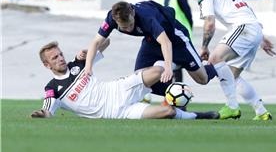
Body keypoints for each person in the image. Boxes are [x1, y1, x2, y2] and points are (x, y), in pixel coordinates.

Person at [85, 1, 238, 119]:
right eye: (124, 28)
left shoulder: (146, 17)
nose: (128, 29)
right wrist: (88, 67)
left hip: (176, 39)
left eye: (131, 24)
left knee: (202, 79)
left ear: (132, 12)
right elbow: (96, 42)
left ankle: (217, 67)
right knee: (140, 78)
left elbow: (166, 42)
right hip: (151, 41)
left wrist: (168, 68)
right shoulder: (112, 17)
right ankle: (174, 97)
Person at [177, 0, 276, 121]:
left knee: (215, 59)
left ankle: (232, 107)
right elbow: (242, 5)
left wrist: (204, 47)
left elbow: (209, 23)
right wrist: (261, 36)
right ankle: (261, 111)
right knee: (232, 76)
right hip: (252, 28)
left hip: (243, 28)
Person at [31, 41, 219, 119]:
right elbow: (47, 110)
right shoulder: (52, 88)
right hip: (116, 113)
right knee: (168, 111)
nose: (60, 59)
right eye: (54, 58)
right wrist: (41, 115)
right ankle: (200, 116)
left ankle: (191, 64)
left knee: (159, 70)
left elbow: (106, 42)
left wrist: (90, 52)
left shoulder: (78, 64)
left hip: (119, 89)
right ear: (47, 65)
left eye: (60, 54)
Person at [159, 0, 193, 82]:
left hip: (180, 36)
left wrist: (188, 34)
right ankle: (169, 94)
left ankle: (179, 91)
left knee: (177, 65)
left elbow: (189, 18)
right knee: (167, 64)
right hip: (167, 35)